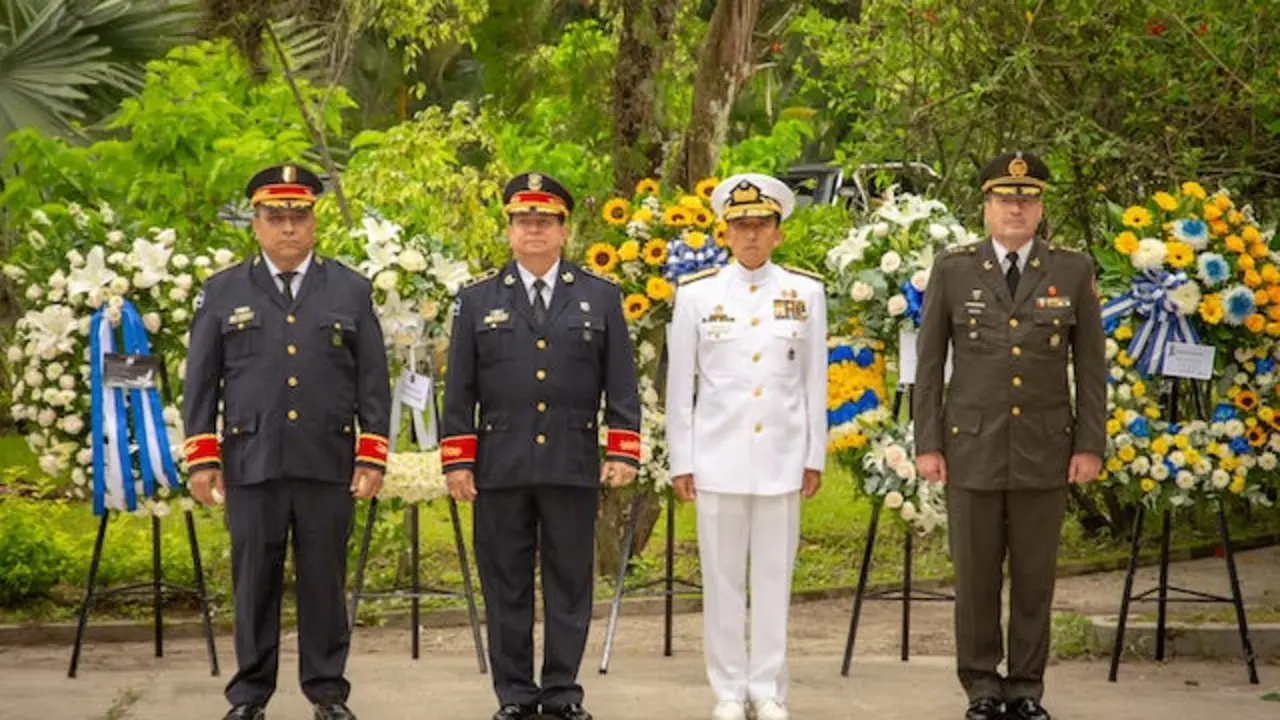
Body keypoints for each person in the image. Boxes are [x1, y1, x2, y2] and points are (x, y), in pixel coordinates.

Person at [182, 164, 391, 720]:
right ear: (255, 223)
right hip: (252, 462)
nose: (289, 228)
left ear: (314, 222)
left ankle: (327, 693)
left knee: (324, 583)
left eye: (299, 216)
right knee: (254, 582)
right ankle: (250, 695)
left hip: (327, 462)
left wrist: (372, 453)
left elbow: (373, 379)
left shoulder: (350, 289)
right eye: (276, 217)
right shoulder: (222, 292)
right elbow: (200, 381)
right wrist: (202, 459)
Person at [440, 172, 642, 720]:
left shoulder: (600, 296)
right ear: (509, 230)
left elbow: (621, 381)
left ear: (563, 230)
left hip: (571, 462)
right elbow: (458, 389)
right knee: (505, 583)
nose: (534, 230)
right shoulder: (477, 299)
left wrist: (622, 448)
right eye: (524, 221)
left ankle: (561, 692)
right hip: (500, 465)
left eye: (545, 221)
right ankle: (514, 695)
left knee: (569, 583)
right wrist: (458, 461)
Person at [912, 151, 1106, 720]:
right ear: (986, 206)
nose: (1015, 209)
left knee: (1033, 575)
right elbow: (930, 365)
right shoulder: (954, 269)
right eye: (1004, 199)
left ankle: (1025, 687)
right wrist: (928, 442)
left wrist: (1089, 443)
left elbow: (1090, 366)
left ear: (1040, 208)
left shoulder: (1071, 270)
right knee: (975, 576)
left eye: (1025, 200)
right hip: (971, 445)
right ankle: (980, 685)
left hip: (1045, 446)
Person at [665, 173, 828, 720]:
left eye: (761, 225)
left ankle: (767, 687)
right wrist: (682, 459)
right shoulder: (697, 295)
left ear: (778, 232)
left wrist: (814, 455)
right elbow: (681, 386)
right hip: (717, 458)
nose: (751, 235)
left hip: (782, 457)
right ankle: (729, 690)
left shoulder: (806, 293)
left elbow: (814, 381)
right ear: (725, 233)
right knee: (722, 581)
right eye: (741, 226)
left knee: (774, 578)